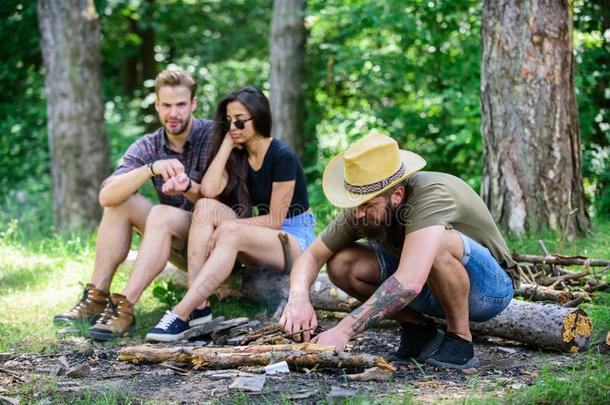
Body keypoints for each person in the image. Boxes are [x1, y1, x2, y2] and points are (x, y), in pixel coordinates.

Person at [280, 132, 517, 369]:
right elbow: (311, 255)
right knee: (342, 263)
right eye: (355, 204)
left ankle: (460, 340)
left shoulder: (431, 194)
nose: (358, 213)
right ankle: (419, 331)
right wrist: (298, 299)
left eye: (367, 205)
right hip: (429, 286)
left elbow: (409, 282)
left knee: (438, 243)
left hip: (489, 292)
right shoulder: (362, 209)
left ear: (397, 195)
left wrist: (343, 331)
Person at [54, 68, 215, 341]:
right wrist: (151, 168)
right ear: (157, 105)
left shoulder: (214, 137)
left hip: (213, 241)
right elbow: (106, 196)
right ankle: (97, 296)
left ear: (194, 104)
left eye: (180, 105)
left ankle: (125, 305)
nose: (173, 113)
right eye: (166, 105)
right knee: (120, 201)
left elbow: (227, 202)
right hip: (177, 242)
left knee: (162, 214)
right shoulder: (149, 145)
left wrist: (187, 188)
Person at [145, 87, 315, 342]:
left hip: (293, 239)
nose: (233, 126)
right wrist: (227, 142)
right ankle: (199, 305)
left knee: (231, 230)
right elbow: (209, 190)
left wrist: (229, 228)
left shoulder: (282, 156)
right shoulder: (240, 154)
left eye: (239, 120)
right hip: (262, 236)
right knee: (204, 208)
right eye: (228, 121)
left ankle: (181, 313)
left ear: (258, 118)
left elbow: (275, 219)